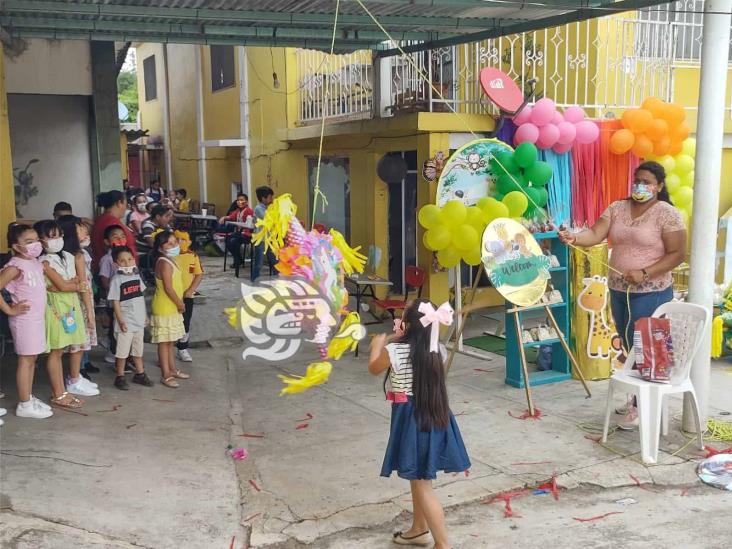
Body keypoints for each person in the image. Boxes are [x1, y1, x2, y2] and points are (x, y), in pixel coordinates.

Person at [558, 160, 686, 428]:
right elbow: (594, 233)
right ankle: (638, 399)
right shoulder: (617, 207)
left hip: (652, 292)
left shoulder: (667, 213)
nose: (640, 185)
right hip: (619, 289)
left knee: (651, 348)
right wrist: (573, 237)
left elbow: (677, 254)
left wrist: (646, 272)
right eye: (637, 180)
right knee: (630, 345)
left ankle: (646, 407)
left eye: (647, 181)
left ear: (659, 186)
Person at [368, 299, 470, 549]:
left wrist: (378, 345)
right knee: (417, 474)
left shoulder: (395, 351)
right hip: (433, 414)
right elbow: (419, 352)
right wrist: (403, 337)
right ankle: (418, 528)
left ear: (409, 325)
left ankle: (442, 544)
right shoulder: (437, 350)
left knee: (423, 482)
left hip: (412, 419)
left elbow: (373, 368)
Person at [35, 220, 99, 409]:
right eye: (52, 237)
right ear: (41, 241)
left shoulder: (69, 257)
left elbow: (77, 283)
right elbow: (65, 285)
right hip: (55, 311)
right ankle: (58, 393)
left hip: (71, 309)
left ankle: (64, 390)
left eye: (59, 236)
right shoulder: (43, 261)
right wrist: (68, 285)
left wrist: (67, 285)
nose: (57, 240)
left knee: (65, 348)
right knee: (56, 352)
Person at [0, 224, 53, 419]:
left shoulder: (35, 263)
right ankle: (24, 404)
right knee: (26, 360)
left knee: (32, 359)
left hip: (36, 319)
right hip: (24, 321)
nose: (35, 245)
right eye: (29, 242)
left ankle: (28, 397)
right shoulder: (15, 266)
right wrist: (9, 309)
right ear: (16, 246)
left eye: (36, 240)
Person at [107, 246, 154, 391]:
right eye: (122, 261)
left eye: (129, 259)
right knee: (122, 352)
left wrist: (145, 316)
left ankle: (140, 373)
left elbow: (140, 298)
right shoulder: (116, 280)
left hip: (138, 321)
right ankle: (120, 376)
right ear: (116, 264)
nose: (127, 263)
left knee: (138, 350)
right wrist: (120, 320)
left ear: (134, 259)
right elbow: (115, 302)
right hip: (125, 322)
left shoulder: (136, 276)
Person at [58, 217, 98, 383]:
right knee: (78, 343)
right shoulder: (77, 256)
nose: (85, 232)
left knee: (76, 344)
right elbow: (83, 286)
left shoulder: (69, 255)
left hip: (73, 304)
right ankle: (74, 378)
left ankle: (75, 377)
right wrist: (89, 311)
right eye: (81, 229)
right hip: (80, 304)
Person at [150, 230, 190, 388]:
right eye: (170, 244)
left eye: (175, 242)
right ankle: (165, 374)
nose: (175, 246)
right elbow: (168, 287)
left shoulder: (172, 260)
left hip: (172, 306)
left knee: (171, 341)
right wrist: (180, 303)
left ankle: (172, 369)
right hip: (165, 306)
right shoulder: (164, 263)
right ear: (161, 248)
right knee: (164, 342)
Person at [173, 230, 203, 363]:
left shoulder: (193, 256)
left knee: (185, 322)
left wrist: (191, 290)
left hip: (187, 297)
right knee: (170, 323)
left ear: (189, 242)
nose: (180, 242)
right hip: (171, 295)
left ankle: (182, 348)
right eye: (177, 239)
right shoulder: (170, 256)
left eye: (183, 239)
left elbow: (199, 274)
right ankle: (166, 351)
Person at [92, 190, 137, 270]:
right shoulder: (112, 223)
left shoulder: (101, 219)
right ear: (119, 203)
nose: (126, 208)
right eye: (126, 204)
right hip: (118, 271)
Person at [219, 193, 254, 271]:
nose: (239, 202)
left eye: (242, 200)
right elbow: (231, 217)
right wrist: (224, 217)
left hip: (247, 234)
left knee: (233, 241)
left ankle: (237, 261)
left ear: (246, 202)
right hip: (239, 233)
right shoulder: (238, 210)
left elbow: (251, 225)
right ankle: (239, 259)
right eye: (238, 200)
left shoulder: (249, 211)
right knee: (227, 240)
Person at [251, 186, 276, 283]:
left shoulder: (268, 207)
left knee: (275, 261)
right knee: (259, 263)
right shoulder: (258, 208)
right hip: (261, 240)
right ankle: (254, 282)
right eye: (270, 197)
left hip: (269, 240)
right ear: (263, 198)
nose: (271, 199)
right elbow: (268, 219)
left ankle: (278, 281)